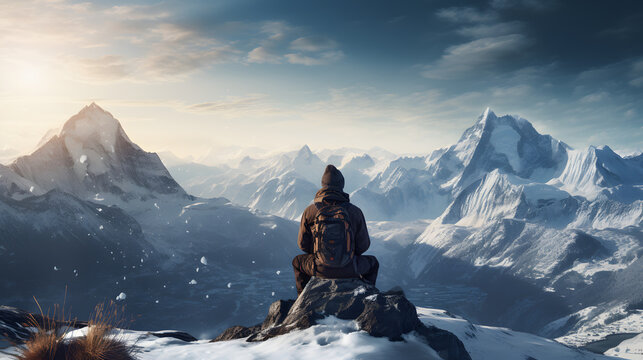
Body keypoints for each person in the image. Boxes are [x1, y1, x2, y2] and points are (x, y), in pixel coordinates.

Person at [292, 164, 379, 296]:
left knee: (297, 262)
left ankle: (303, 298)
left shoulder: (310, 211)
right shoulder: (354, 211)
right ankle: (366, 296)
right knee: (373, 263)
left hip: (319, 268)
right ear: (341, 185)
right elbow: (363, 246)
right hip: (350, 268)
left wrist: (321, 253)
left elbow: (302, 245)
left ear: (322, 184)